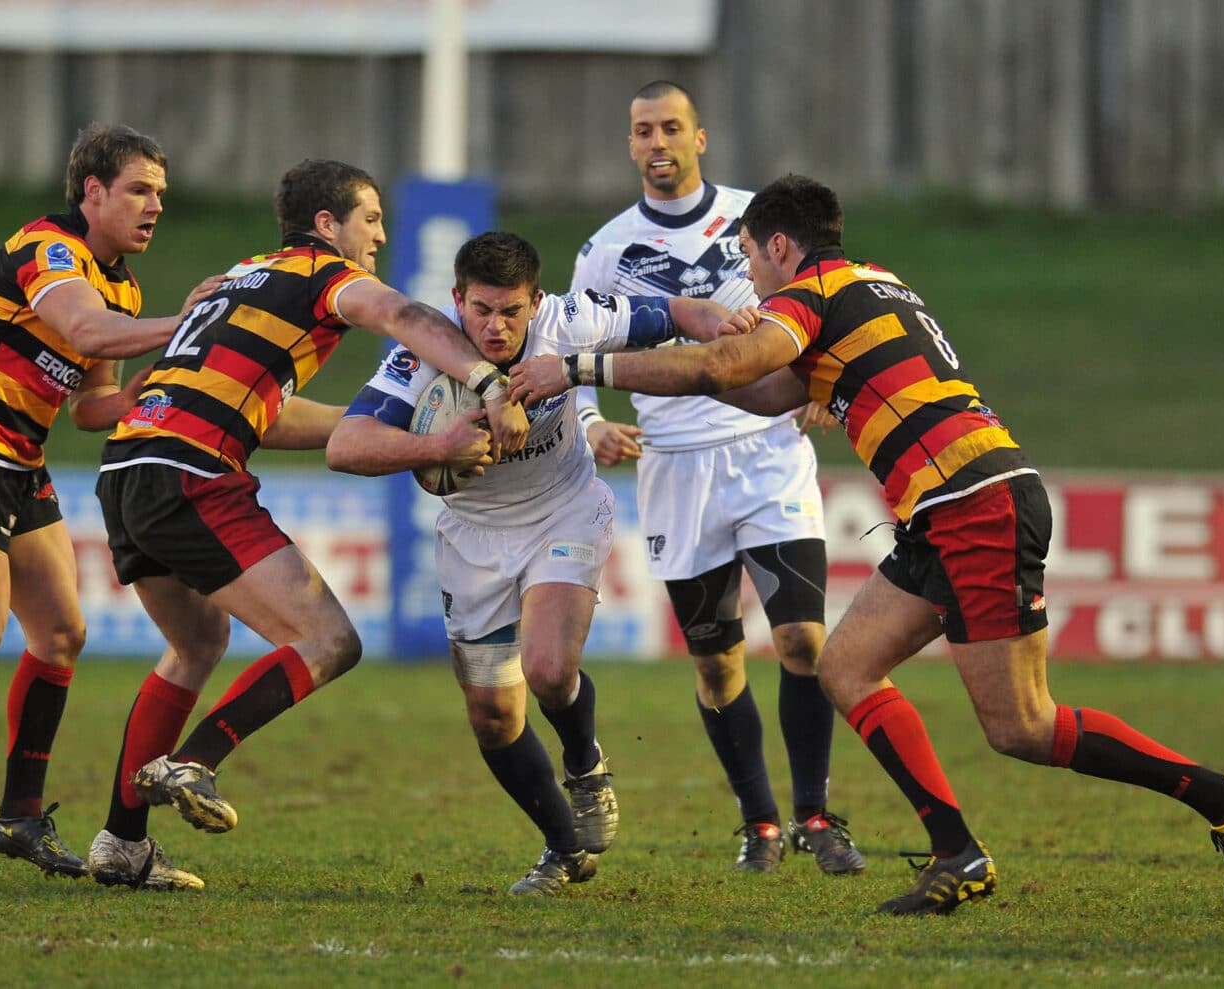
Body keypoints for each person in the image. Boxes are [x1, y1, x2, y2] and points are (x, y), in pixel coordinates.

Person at [509, 174, 1224, 915]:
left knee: (1022, 725)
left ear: (781, 245)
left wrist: (579, 366)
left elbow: (727, 366)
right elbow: (753, 387)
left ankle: (1222, 795)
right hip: (946, 509)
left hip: (977, 503)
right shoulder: (872, 281)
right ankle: (957, 854)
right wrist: (683, 353)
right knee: (844, 666)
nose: (745, 274)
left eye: (746, 255)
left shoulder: (812, 292)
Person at [85, 160, 529, 891]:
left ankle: (122, 840)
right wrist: (486, 382)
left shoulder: (246, 275)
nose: (380, 235)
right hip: (193, 472)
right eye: (371, 219)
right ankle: (194, 761)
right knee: (329, 638)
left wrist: (382, 429)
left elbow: (269, 412)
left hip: (126, 468)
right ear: (328, 226)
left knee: (196, 643)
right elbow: (407, 319)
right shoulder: (324, 272)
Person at [326, 231, 731, 895]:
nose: (495, 325)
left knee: (546, 669)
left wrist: (736, 325)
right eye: (480, 309)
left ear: (536, 303)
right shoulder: (420, 358)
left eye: (510, 311)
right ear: (456, 300)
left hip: (563, 514)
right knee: (492, 715)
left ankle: (585, 764)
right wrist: (438, 445)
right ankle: (561, 847)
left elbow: (681, 314)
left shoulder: (569, 321)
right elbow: (345, 445)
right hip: (472, 538)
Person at [568, 81, 862, 875]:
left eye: (671, 127)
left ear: (701, 138)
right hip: (675, 466)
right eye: (642, 131)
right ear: (629, 146)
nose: (656, 142)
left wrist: (826, 384)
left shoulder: (756, 221)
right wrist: (591, 422)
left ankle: (816, 813)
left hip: (767, 448)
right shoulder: (604, 250)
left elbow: (823, 301)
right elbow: (573, 344)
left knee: (803, 638)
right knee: (716, 660)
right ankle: (760, 822)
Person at [0, 123, 225, 887]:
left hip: (20, 463)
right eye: (139, 190)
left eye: (160, 192)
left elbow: (90, 409)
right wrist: (188, 324)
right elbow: (83, 327)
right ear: (91, 192)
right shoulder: (47, 248)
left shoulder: (122, 282)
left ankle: (19, 818)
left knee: (61, 634)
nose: (155, 205)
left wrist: (144, 396)